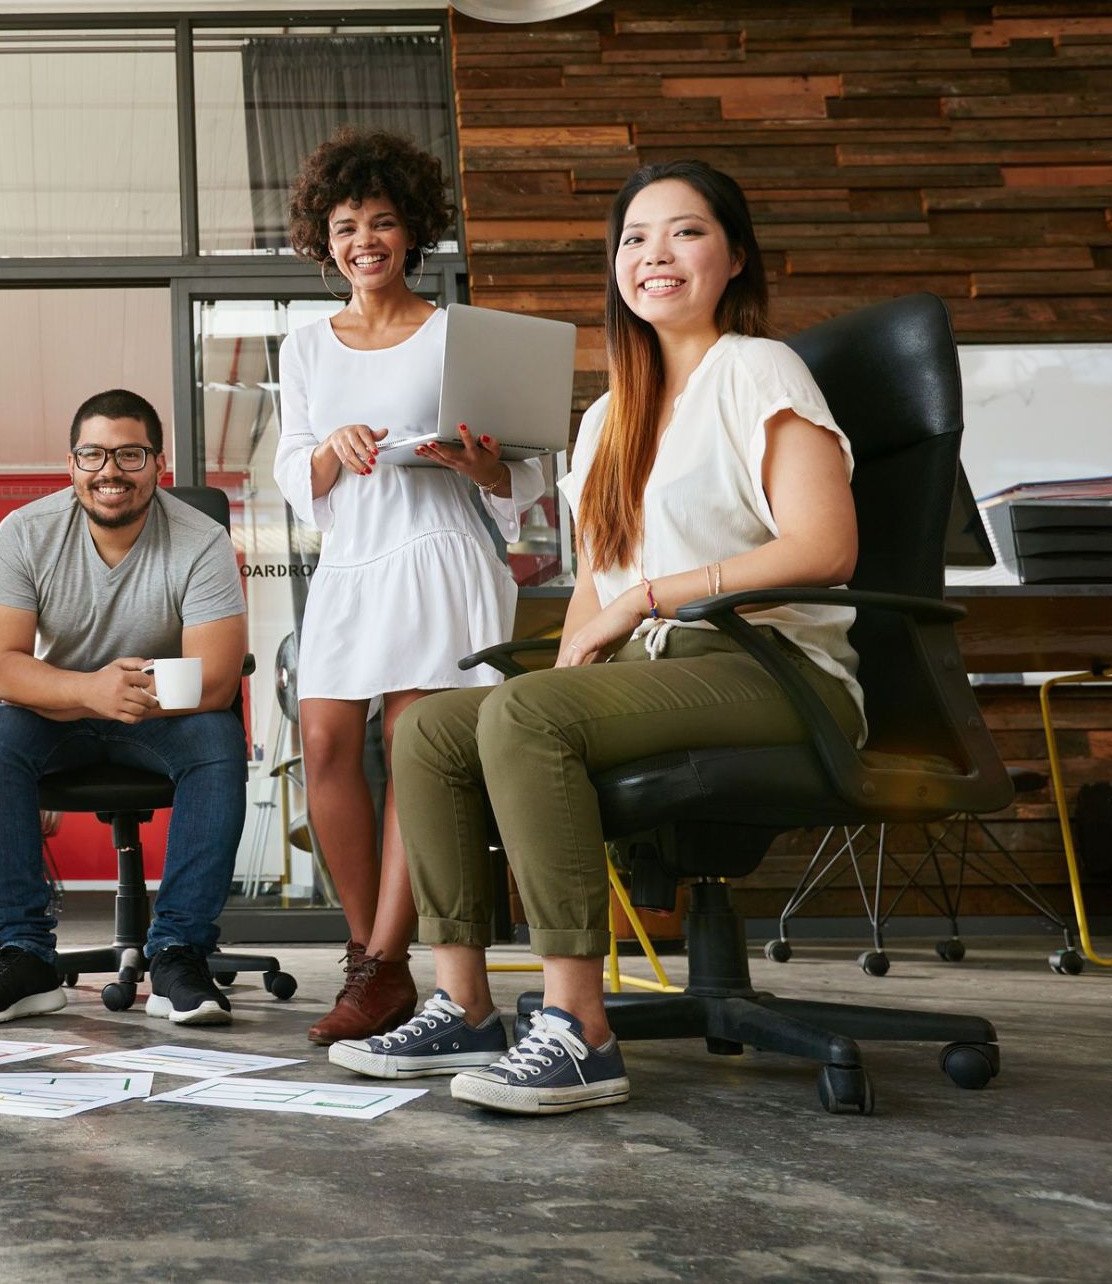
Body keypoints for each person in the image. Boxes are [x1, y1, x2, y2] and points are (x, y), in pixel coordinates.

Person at [380, 160, 863, 1114]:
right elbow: (598, 593)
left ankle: (577, 1028)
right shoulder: (606, 419)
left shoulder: (758, 369)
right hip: (659, 671)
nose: (655, 255)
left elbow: (826, 547)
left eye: (685, 232)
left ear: (733, 258)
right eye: (635, 239)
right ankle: (466, 1003)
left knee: (521, 716)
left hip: (772, 668)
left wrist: (645, 600)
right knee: (432, 728)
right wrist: (574, 655)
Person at [270, 129, 546, 1049]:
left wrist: (480, 464)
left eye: (382, 222)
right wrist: (327, 450)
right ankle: (374, 961)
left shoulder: (458, 334)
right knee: (323, 739)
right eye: (346, 226)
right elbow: (287, 467)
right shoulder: (305, 345)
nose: (365, 241)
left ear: (411, 232)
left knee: (412, 746)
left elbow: (522, 473)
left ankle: (380, 965)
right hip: (353, 557)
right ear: (325, 239)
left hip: (441, 549)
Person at [0, 390, 252, 1028]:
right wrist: (89, 690)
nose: (110, 470)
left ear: (157, 466)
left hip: (163, 720)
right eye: (94, 454)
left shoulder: (202, 540)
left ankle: (177, 954)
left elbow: (217, 680)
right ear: (72, 463)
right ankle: (26, 955)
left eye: (130, 454)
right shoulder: (24, 533)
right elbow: (3, 666)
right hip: (61, 714)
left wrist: (120, 693)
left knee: (218, 737)